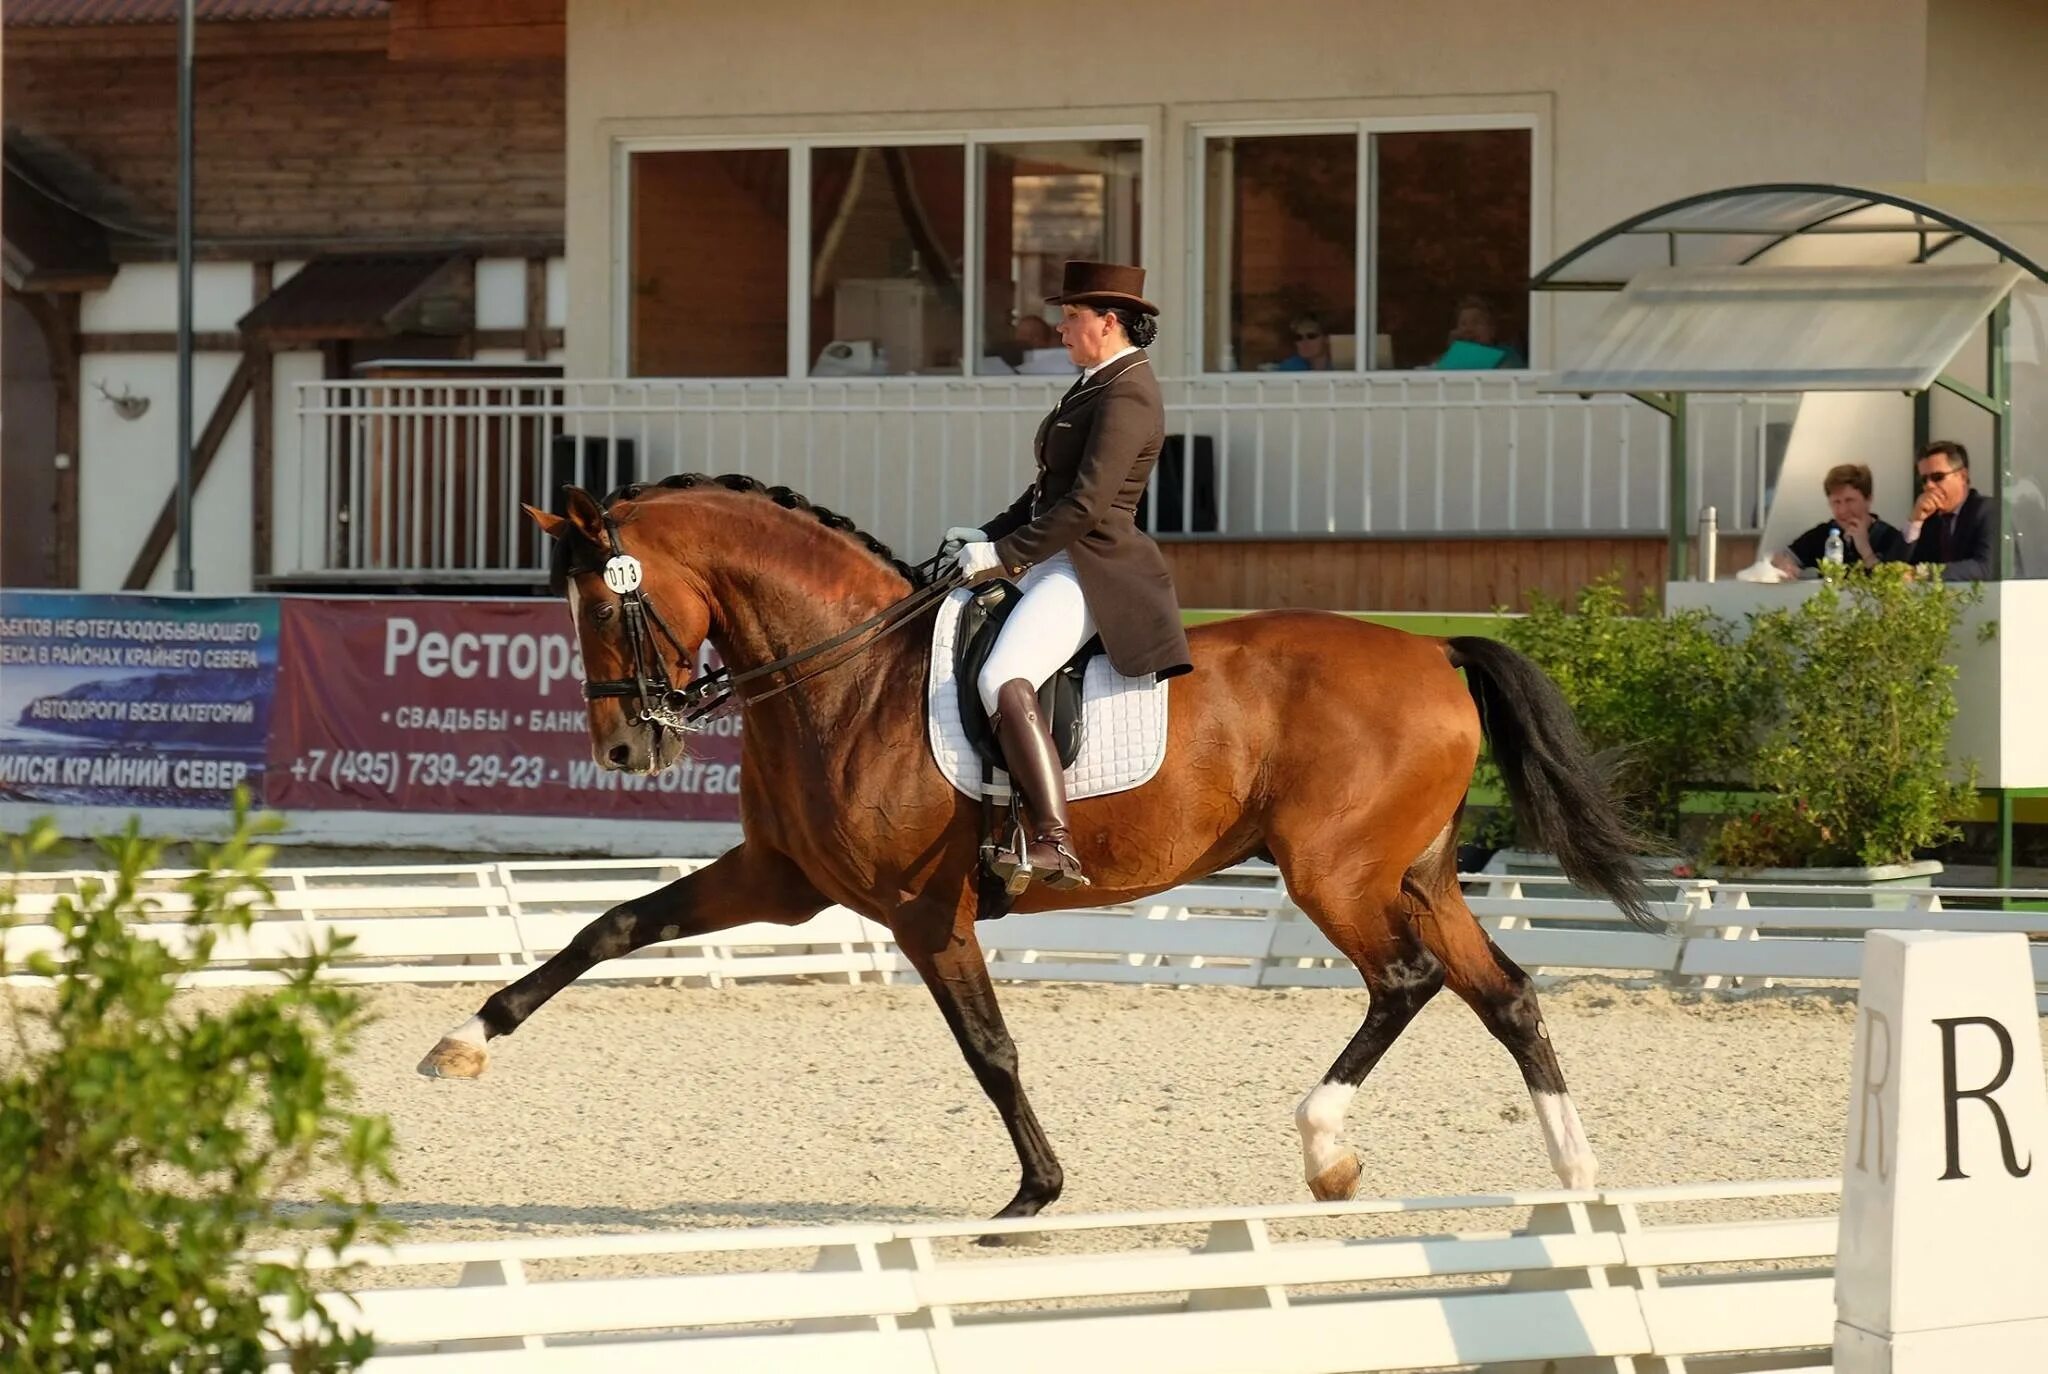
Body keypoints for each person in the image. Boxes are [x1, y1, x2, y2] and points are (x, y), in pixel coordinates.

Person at [944, 260, 1194, 890]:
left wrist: (1003, 557)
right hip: (1053, 552)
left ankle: (1054, 841)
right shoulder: (1094, 384)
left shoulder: (1129, 391)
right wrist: (987, 535)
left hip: (1093, 567)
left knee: (1005, 674)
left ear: (1108, 321)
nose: (1059, 329)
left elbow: (1085, 506)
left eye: (1071, 317)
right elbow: (1046, 494)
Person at [1768, 463, 1907, 576]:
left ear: (1868, 499)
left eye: (1849, 500)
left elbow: (1893, 584)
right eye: (1836, 502)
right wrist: (1786, 567)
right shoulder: (1822, 534)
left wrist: (1865, 550)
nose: (1842, 510)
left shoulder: (1890, 537)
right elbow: (1779, 559)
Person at [1901, 439, 1996, 581]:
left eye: (1937, 477)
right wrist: (1915, 521)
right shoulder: (1929, 520)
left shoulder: (1988, 511)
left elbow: (1986, 567)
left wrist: (1923, 573)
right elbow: (1896, 568)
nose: (1929, 486)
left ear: (1963, 476)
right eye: (1924, 480)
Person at [1430, 295, 1526, 370]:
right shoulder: (1452, 354)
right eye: (1463, 324)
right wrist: (1452, 351)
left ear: (1492, 330)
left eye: (1476, 322)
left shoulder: (1506, 355)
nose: (1469, 329)